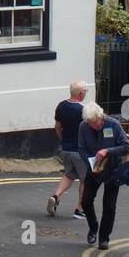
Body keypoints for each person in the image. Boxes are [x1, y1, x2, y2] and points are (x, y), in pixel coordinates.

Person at [78, 101, 129, 250]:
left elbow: (126, 147)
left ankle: (104, 238)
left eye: (96, 123)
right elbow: (81, 149)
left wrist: (108, 151)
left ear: (101, 117)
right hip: (94, 170)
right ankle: (93, 227)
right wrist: (92, 162)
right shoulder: (83, 126)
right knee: (86, 201)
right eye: (91, 124)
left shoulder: (113, 124)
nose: (94, 126)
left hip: (113, 169)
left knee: (109, 206)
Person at [47, 80, 88, 219]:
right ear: (81, 93)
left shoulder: (61, 106)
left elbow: (57, 127)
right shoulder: (84, 110)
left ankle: (56, 196)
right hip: (80, 151)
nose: (86, 93)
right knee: (85, 179)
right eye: (86, 91)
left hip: (66, 149)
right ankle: (80, 209)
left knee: (70, 174)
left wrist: (63, 140)